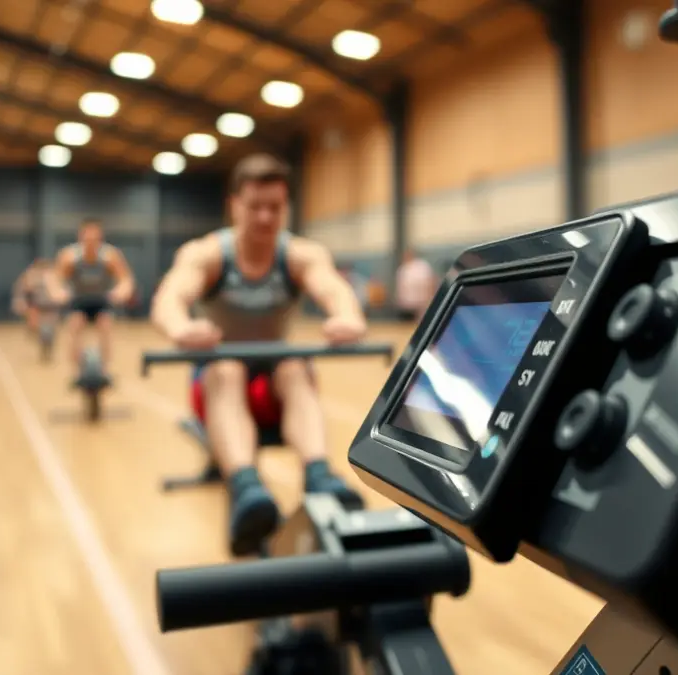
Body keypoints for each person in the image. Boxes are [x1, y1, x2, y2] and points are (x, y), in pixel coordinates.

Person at [151, 153, 367, 557]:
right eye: (255, 207)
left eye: (276, 207)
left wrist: (347, 316)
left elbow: (333, 289)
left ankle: (318, 474)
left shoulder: (299, 255)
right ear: (234, 205)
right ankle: (246, 487)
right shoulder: (209, 254)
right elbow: (170, 297)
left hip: (276, 389)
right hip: (217, 389)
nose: (266, 217)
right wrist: (181, 328)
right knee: (227, 366)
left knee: (293, 362)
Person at [48, 219, 135, 380]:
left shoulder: (110, 256)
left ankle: (104, 369)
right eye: (87, 239)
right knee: (74, 326)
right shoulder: (69, 256)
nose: (91, 243)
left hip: (101, 300)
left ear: (100, 239)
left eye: (95, 239)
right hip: (78, 300)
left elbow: (125, 278)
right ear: (81, 238)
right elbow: (56, 278)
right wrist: (58, 292)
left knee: (106, 325)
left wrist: (121, 291)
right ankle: (76, 371)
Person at [394, 248, 437, 322]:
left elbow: (431, 282)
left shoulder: (422, 266)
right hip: (407, 305)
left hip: (422, 304)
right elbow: (401, 288)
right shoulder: (402, 269)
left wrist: (430, 298)